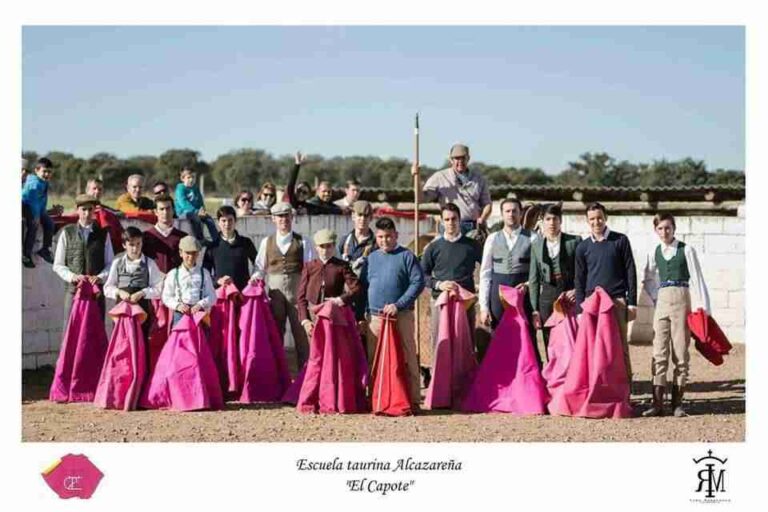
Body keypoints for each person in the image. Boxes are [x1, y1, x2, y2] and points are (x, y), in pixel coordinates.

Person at [641, 213, 711, 417]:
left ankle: (677, 404)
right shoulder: (654, 251)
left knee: (680, 352)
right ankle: (657, 403)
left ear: (674, 228)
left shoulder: (686, 249)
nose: (664, 232)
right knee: (658, 352)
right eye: (660, 228)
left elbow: (698, 279)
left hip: (682, 297)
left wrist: (704, 309)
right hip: (662, 299)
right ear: (656, 230)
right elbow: (648, 278)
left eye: (668, 228)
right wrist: (656, 298)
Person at [360, 217, 425, 410]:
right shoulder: (371, 258)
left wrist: (399, 304)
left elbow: (418, 283)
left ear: (395, 235)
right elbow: (363, 287)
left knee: (407, 357)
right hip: (375, 317)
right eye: (380, 237)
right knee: (375, 359)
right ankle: (375, 398)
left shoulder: (407, 256)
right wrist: (362, 314)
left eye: (388, 236)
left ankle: (413, 400)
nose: (384, 240)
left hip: (401, 315)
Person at [574, 202, 638, 393]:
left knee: (620, 347)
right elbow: (579, 279)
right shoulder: (582, 247)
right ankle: (599, 388)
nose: (596, 222)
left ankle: (626, 390)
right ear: (587, 221)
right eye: (592, 219)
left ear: (606, 217)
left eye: (599, 217)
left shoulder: (620, 241)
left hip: (617, 301)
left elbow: (630, 272)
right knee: (594, 348)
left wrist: (632, 302)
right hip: (592, 304)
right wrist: (579, 308)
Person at [250, 202, 316, 372]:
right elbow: (260, 268)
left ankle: (304, 376)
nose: (283, 220)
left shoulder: (304, 241)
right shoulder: (267, 242)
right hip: (275, 296)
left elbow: (311, 269)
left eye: (286, 216)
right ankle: (277, 376)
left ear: (291, 217)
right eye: (279, 216)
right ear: (273, 219)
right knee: (275, 335)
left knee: (302, 335)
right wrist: (255, 280)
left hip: (297, 297)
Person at [478, 198, 540, 362]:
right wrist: (484, 307)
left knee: (527, 338)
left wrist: (528, 285)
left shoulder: (533, 238)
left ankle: (529, 380)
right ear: (502, 214)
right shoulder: (492, 238)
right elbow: (485, 273)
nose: (511, 214)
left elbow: (539, 272)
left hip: (523, 297)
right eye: (507, 211)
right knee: (498, 338)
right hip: (497, 297)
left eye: (514, 211)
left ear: (521, 213)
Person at [421, 203, 482, 363]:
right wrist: (438, 284)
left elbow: (487, 269)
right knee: (441, 344)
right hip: (441, 302)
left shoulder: (472, 246)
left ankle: (466, 384)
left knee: (466, 345)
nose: (450, 222)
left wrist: (481, 289)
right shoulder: (433, 248)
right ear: (441, 222)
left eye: (454, 218)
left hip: (466, 303)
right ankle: (440, 383)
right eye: (447, 219)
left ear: (460, 220)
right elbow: (422, 275)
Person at [528, 203, 582, 357]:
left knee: (572, 337)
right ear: (542, 221)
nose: (552, 223)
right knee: (549, 340)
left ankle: (572, 376)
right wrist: (535, 309)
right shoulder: (536, 245)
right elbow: (534, 280)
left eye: (555, 219)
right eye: (548, 219)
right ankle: (553, 375)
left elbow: (583, 272)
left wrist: (577, 290)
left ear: (561, 221)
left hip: (568, 293)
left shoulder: (574, 241)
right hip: (547, 295)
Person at [52, 194, 115, 322]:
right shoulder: (67, 233)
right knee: (71, 331)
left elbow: (111, 263)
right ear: (77, 209)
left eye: (90, 209)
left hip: (95, 292)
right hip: (74, 291)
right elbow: (58, 265)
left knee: (95, 333)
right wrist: (72, 277)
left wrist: (100, 277)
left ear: (94, 211)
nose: (87, 213)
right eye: (83, 209)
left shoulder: (103, 234)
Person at [414, 143, 492, 236]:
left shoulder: (479, 179)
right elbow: (420, 199)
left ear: (468, 158)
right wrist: (416, 177)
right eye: (457, 158)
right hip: (449, 226)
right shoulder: (440, 177)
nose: (460, 161)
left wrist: (482, 218)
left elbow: (487, 204)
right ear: (451, 160)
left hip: (474, 227)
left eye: (463, 158)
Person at [103, 226, 164, 341]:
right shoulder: (117, 263)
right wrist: (119, 292)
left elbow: (158, 288)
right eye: (131, 245)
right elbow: (107, 288)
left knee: (141, 342)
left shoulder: (149, 263)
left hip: (142, 312)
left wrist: (142, 293)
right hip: (121, 311)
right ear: (124, 245)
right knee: (122, 343)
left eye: (138, 244)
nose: (135, 248)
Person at [297, 229, 362, 336]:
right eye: (322, 246)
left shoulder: (342, 266)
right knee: (315, 349)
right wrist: (305, 320)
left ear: (334, 246)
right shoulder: (309, 266)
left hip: (333, 313)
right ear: (316, 248)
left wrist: (340, 299)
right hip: (313, 314)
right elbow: (301, 296)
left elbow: (356, 288)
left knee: (331, 347)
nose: (325, 250)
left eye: (328, 246)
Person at [161, 235, 216, 326]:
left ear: (198, 253)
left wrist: (200, 304)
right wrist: (178, 306)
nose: (190, 257)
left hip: (199, 313)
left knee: (200, 339)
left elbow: (212, 295)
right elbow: (166, 296)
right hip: (180, 314)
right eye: (187, 253)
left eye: (194, 253)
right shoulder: (173, 274)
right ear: (180, 253)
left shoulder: (204, 273)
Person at [337, 200, 377, 321]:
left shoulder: (376, 243)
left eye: (366, 216)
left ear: (371, 218)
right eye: (359, 215)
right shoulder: (345, 241)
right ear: (353, 216)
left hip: (366, 296)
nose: (362, 219)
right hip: (346, 295)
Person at [203, 206, 257, 291]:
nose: (227, 224)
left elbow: (258, 264)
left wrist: (254, 278)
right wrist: (217, 281)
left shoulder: (246, 242)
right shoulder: (213, 246)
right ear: (218, 222)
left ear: (235, 221)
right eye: (223, 220)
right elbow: (205, 271)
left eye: (230, 220)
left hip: (243, 293)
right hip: (221, 295)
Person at [22, 157, 59, 267]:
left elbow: (41, 201)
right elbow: (33, 202)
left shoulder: (44, 182)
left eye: (49, 172)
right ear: (36, 170)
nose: (47, 174)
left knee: (50, 223)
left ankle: (45, 249)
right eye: (44, 171)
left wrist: (44, 213)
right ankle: (26, 254)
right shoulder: (35, 184)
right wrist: (36, 216)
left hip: (37, 208)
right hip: (26, 205)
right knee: (33, 225)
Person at [142, 195, 188, 274]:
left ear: (173, 210)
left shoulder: (183, 237)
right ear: (156, 212)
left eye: (168, 208)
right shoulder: (146, 236)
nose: (165, 212)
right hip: (153, 283)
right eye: (161, 209)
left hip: (176, 283)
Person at [174, 166, 220, 245]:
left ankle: (217, 240)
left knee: (209, 220)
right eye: (188, 177)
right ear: (182, 178)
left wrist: (202, 210)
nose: (191, 180)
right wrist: (196, 211)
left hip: (197, 212)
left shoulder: (195, 188)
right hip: (183, 213)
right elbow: (184, 203)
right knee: (196, 218)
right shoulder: (180, 189)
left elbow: (200, 200)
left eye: (193, 177)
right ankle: (200, 239)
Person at [85, 177, 124, 251]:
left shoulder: (104, 209)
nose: (97, 191)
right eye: (94, 188)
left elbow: (119, 213)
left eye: (100, 189)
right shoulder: (80, 208)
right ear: (87, 190)